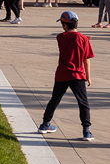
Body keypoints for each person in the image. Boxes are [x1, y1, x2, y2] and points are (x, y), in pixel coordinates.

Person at [38, 10, 94, 141]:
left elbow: (69, 40)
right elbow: (86, 59)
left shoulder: (60, 37)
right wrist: (88, 76)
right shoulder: (83, 39)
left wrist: (84, 39)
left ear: (64, 25)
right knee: (83, 103)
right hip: (78, 75)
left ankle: (45, 124)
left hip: (62, 74)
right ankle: (86, 131)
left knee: (55, 99)